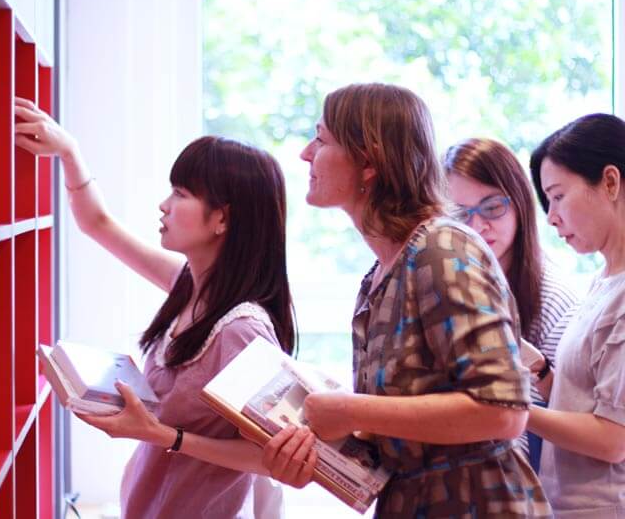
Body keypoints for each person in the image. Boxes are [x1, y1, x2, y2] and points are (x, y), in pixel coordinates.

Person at [260, 83, 551, 517]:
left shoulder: (443, 250)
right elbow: (401, 440)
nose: (306, 154)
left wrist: (350, 410)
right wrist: (314, 454)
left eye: (321, 140)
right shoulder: (380, 276)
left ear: (368, 162)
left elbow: (502, 412)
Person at [13, 97, 294, 519]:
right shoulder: (191, 284)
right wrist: (69, 152)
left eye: (180, 194)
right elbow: (98, 224)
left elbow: (268, 456)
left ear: (222, 219)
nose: (164, 205)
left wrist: (162, 434)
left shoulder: (242, 329)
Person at [443, 138, 578, 471]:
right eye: (461, 213)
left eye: (491, 208)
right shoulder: (445, 288)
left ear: (520, 203)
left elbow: (574, 417)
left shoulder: (554, 299)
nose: (477, 226)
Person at [527, 113, 625, 517]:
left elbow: (613, 438)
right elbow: (589, 402)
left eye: (558, 196)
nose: (551, 216)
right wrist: (539, 371)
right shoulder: (603, 281)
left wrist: (507, 412)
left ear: (610, 182)